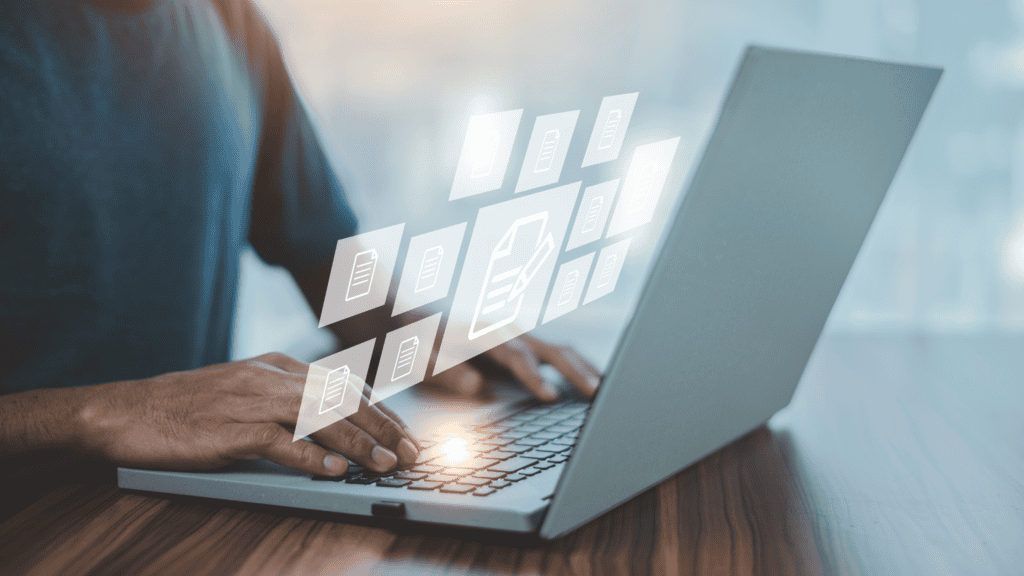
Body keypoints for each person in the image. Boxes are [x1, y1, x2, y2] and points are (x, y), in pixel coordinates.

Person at [0, 0, 600, 512]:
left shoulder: (227, 19)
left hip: (180, 514)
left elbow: (331, 272)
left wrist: (419, 334)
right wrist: (101, 413)